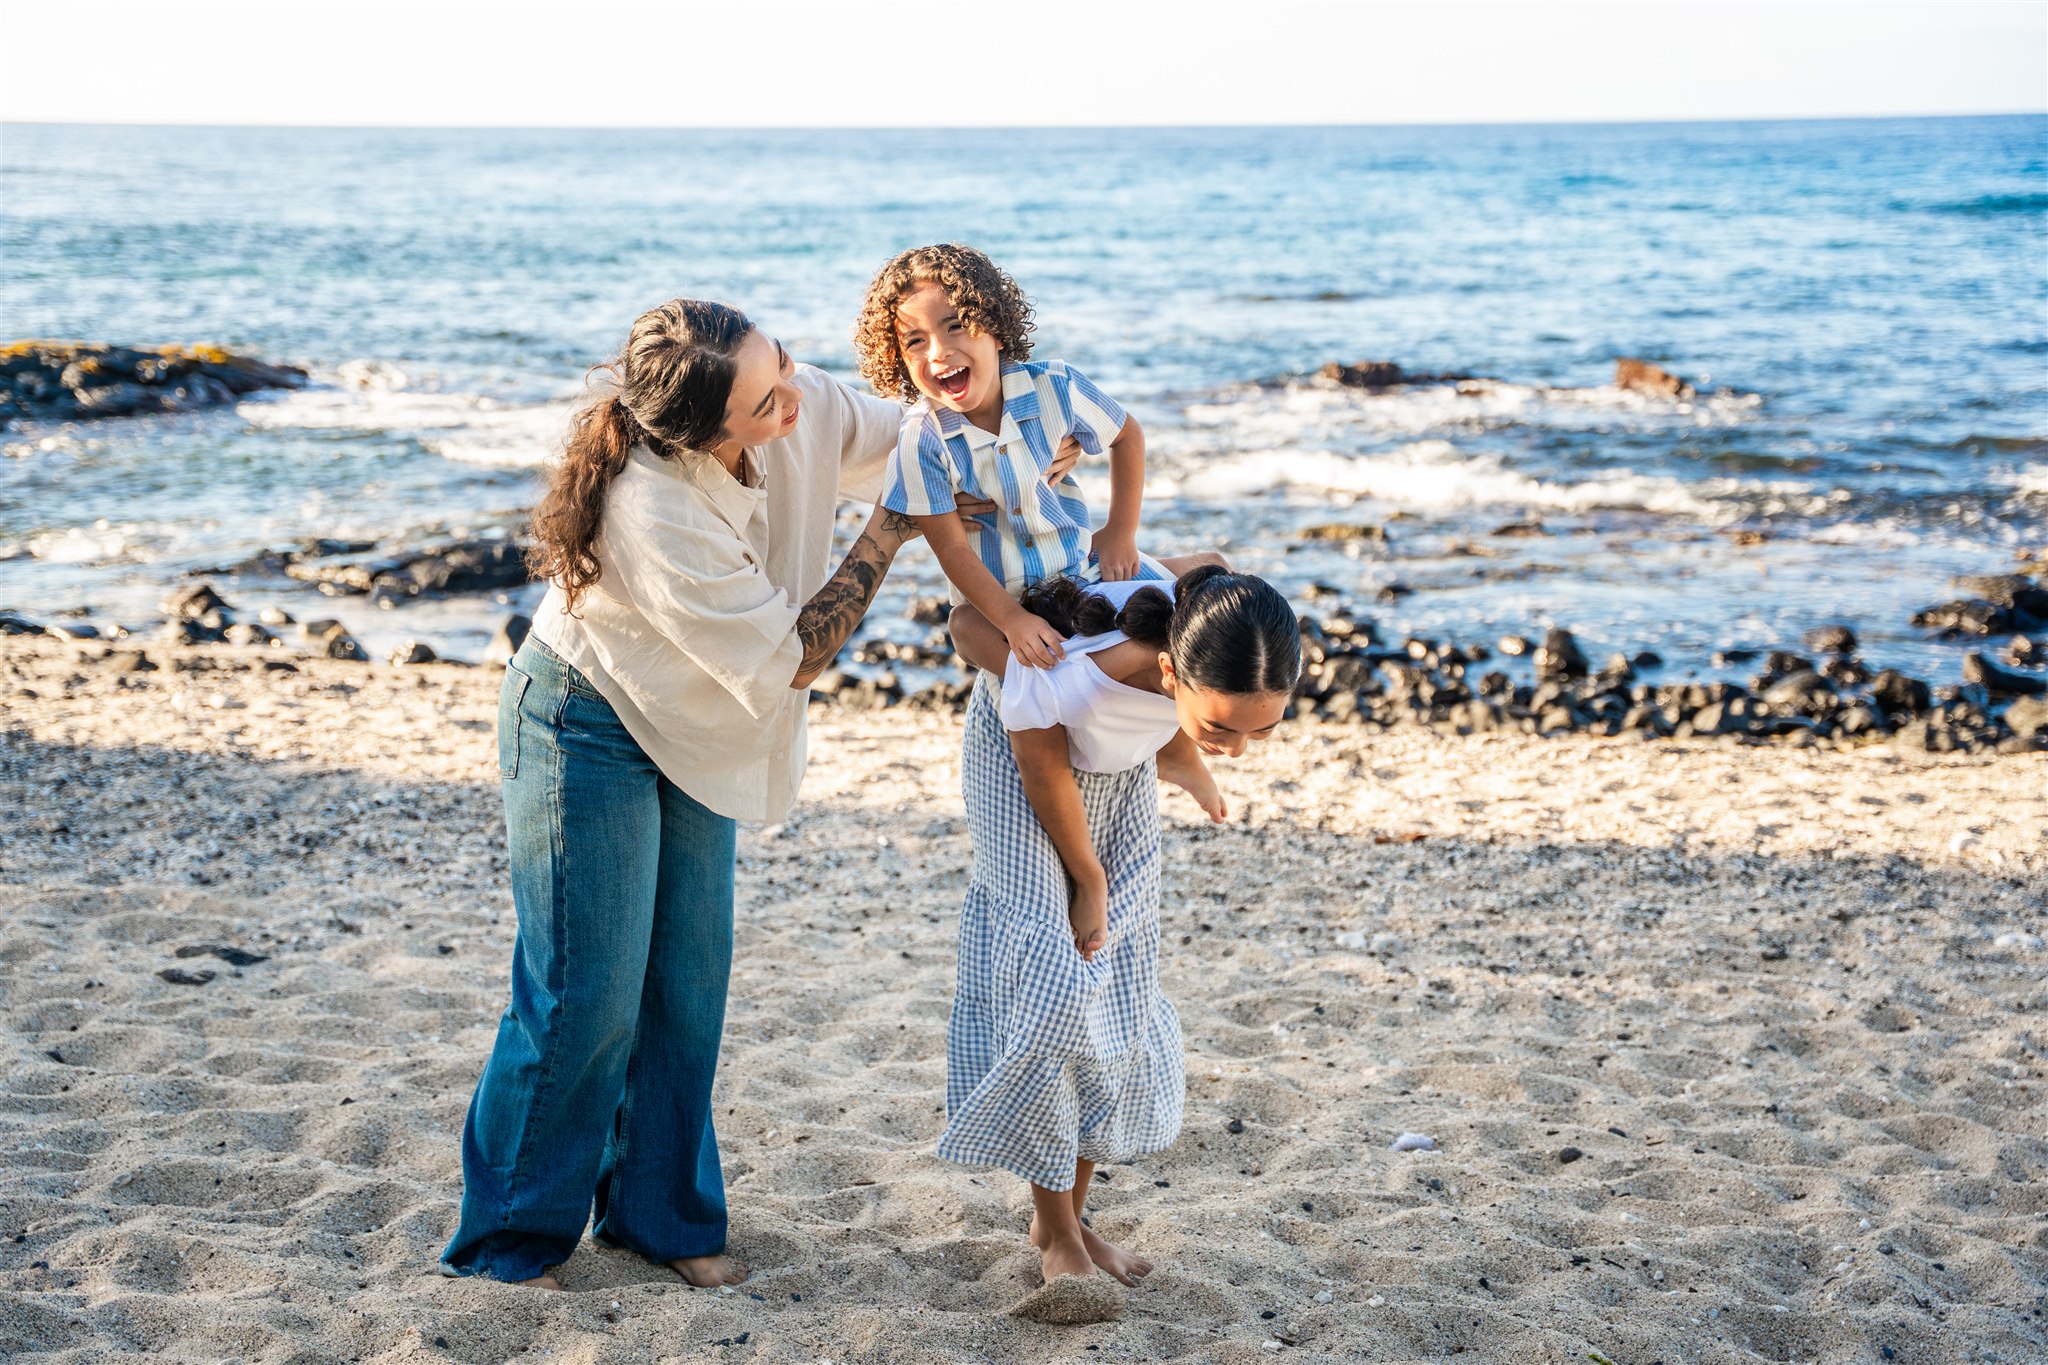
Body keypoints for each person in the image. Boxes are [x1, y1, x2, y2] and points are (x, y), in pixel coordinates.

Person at [439, 298, 1081, 1291]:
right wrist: (888, 531)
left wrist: (1027, 447)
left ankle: (658, 1218)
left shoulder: (800, 398)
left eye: (781, 367)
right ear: (703, 435)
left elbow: (920, 434)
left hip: (700, 726)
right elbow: (792, 657)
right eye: (762, 403)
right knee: (585, 996)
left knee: (687, 985)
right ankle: (509, 1241)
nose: (794, 400)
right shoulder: (650, 505)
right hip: (588, 719)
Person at [942, 565, 1303, 1294]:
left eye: (1261, 728)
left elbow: (1172, 715)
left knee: (1113, 988)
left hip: (1119, 772)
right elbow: (1041, 763)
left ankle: (1063, 1218)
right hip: (1024, 772)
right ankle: (1057, 1230)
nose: (1239, 746)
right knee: (1055, 985)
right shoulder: (1080, 673)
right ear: (1170, 670)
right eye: (1221, 728)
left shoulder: (1206, 643)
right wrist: (1089, 880)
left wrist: (1194, 764)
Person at [854, 242, 1179, 670]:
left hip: (1085, 575)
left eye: (955, 326)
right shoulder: (921, 440)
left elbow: (1127, 435)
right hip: (1004, 606)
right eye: (916, 340)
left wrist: (1120, 531)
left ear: (997, 329)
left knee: (1198, 618)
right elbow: (952, 549)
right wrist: (1013, 621)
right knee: (981, 639)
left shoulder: (1056, 387)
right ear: (898, 360)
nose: (938, 351)